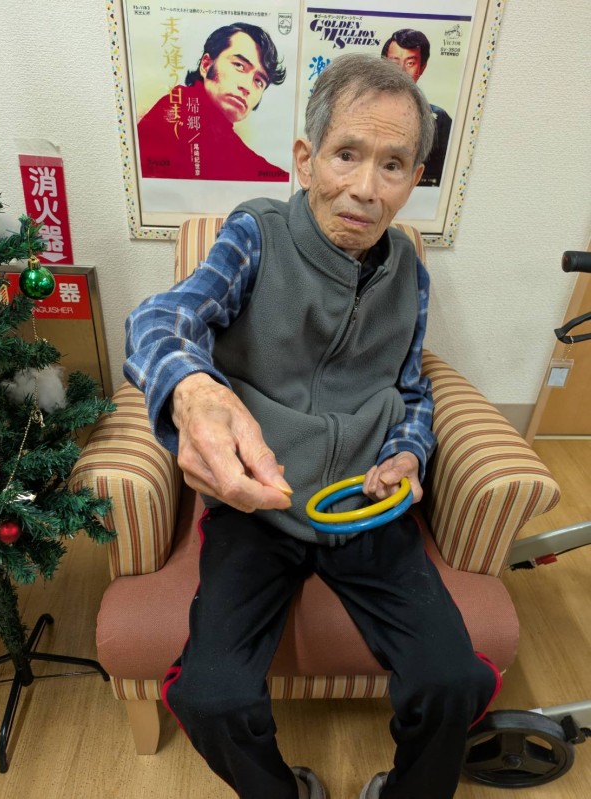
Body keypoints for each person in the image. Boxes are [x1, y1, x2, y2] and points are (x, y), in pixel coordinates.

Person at [125, 53, 501, 799]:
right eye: (346, 155)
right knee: (210, 696)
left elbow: (411, 389)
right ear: (306, 158)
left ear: (414, 178)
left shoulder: (411, 272)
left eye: (392, 165)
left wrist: (407, 453)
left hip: (365, 504)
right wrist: (193, 391)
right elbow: (161, 319)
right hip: (258, 506)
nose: (366, 188)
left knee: (454, 680)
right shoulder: (255, 234)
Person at [137, 22, 289, 182]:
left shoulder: (225, 136)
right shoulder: (179, 106)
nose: (246, 87)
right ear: (206, 65)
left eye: (258, 81)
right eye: (239, 66)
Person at [382, 29, 453, 187]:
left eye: (410, 63)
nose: (401, 71)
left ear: (422, 68)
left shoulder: (439, 119)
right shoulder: (359, 111)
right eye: (394, 62)